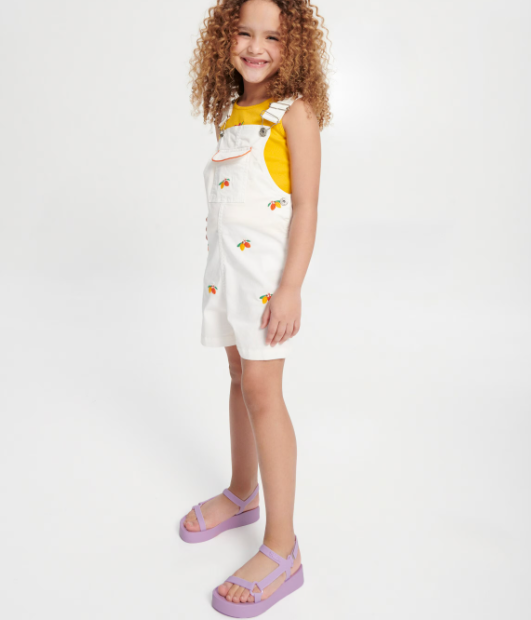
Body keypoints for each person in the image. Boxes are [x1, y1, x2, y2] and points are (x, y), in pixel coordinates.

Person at [181, 0, 331, 616]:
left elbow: (306, 207)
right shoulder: (231, 113)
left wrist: (291, 287)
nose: (256, 46)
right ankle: (243, 492)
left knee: (265, 393)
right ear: (225, 37)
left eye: (272, 37)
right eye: (244, 32)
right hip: (227, 276)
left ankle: (283, 546)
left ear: (295, 48)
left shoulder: (294, 113)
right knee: (239, 379)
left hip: (268, 283)